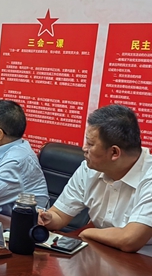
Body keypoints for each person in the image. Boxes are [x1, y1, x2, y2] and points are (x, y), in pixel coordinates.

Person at [39, 105, 152, 253]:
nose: (84, 148)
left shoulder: (148, 177)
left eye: (90, 144)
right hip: (100, 253)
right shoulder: (89, 169)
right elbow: (59, 215)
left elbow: (130, 240)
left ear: (114, 152)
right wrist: (47, 218)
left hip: (142, 261)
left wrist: (87, 233)